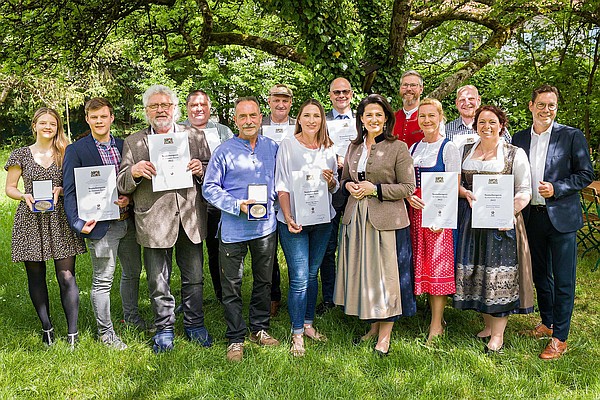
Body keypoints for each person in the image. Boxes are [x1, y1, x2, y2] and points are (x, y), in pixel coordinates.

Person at [117, 85, 212, 353]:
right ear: (146, 111)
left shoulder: (193, 135)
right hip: (154, 221)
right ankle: (165, 328)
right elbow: (122, 184)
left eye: (165, 105)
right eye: (154, 106)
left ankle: (194, 324)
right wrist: (134, 172)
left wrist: (200, 169)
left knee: (194, 277)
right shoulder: (134, 141)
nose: (160, 110)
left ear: (174, 108)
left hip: (189, 219)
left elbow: (212, 172)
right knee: (158, 280)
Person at [512, 85, 594, 359]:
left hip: (561, 218)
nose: (546, 110)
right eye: (542, 104)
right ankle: (547, 323)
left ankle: (560, 337)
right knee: (540, 275)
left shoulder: (571, 136)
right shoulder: (519, 138)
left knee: (563, 279)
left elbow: (585, 174)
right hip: (531, 217)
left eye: (552, 105)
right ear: (531, 105)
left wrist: (557, 188)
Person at [334, 94, 416, 356]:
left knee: (386, 277)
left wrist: (375, 189)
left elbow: (408, 187)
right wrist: (348, 185)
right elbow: (345, 177)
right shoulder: (353, 147)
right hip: (356, 219)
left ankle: (385, 334)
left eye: (379, 115)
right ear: (361, 119)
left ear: (386, 119)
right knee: (366, 274)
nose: (374, 119)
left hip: (386, 220)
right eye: (369, 114)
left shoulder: (397, 147)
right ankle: (373, 324)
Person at [62, 97, 146, 350]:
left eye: (104, 116)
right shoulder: (76, 150)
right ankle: (106, 333)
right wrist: (78, 223)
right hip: (100, 226)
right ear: (88, 119)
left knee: (132, 272)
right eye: (94, 117)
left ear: (111, 118)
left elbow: (132, 179)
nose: (99, 121)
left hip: (127, 222)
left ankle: (132, 318)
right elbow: (69, 192)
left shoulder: (124, 145)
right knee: (103, 280)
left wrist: (128, 198)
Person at [203, 97, 281, 362]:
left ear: (261, 118)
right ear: (235, 120)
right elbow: (209, 188)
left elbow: (282, 181)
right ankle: (235, 338)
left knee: (264, 281)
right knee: (232, 285)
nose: (248, 121)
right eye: (242, 117)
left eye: (253, 116)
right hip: (233, 230)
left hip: (265, 228)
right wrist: (237, 205)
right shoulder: (224, 151)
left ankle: (259, 329)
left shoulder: (273, 147)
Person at [453, 105, 534, 354]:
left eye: (492, 122)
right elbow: (455, 183)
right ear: (475, 125)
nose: (486, 127)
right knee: (478, 271)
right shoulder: (465, 150)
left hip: (501, 223)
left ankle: (497, 335)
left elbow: (524, 190)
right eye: (481, 122)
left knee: (499, 274)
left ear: (502, 125)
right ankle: (488, 326)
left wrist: (509, 211)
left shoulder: (514, 153)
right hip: (471, 220)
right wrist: (463, 192)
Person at [4, 107, 86, 347]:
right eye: (43, 123)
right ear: (35, 125)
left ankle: (72, 333)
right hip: (30, 219)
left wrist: (62, 189)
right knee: (36, 276)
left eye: (52, 123)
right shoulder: (20, 154)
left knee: (66, 275)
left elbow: (75, 181)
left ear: (57, 126)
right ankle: (47, 328)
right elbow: (9, 187)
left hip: (59, 218)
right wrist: (23, 196)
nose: (48, 127)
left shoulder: (65, 153)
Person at [275, 99, 338, 356]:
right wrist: (288, 217)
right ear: (298, 119)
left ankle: (309, 324)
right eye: (307, 115)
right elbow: (282, 184)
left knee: (313, 274)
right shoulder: (288, 145)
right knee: (299, 277)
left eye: (317, 116)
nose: (312, 120)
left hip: (322, 220)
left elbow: (332, 188)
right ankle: (297, 332)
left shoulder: (329, 148)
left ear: (322, 120)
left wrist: (332, 180)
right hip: (295, 222)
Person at [406, 98, 460, 343]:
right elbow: (406, 182)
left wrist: (441, 216)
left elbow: (453, 185)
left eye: (431, 116)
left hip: (438, 215)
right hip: (414, 213)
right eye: (422, 116)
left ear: (441, 118)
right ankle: (428, 315)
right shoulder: (414, 148)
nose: (427, 120)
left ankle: (437, 324)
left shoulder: (449, 148)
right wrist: (408, 197)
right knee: (422, 263)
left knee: (438, 267)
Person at [182, 89, 234, 303]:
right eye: (194, 105)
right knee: (189, 253)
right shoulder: (177, 132)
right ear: (187, 108)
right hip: (186, 201)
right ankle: (190, 299)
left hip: (216, 201)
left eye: (203, 104)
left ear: (209, 107)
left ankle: (223, 295)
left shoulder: (223, 132)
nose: (199, 108)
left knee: (217, 249)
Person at [315, 77, 353, 315]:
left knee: (355, 247)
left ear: (351, 94)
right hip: (327, 191)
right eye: (336, 92)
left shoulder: (362, 119)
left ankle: (353, 295)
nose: (341, 95)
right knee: (328, 248)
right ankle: (329, 298)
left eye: (345, 91)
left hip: (354, 190)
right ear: (330, 95)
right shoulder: (321, 121)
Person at [261, 83, 295, 316]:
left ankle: (297, 293)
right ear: (269, 101)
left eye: (285, 100)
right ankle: (272, 296)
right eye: (276, 99)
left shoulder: (299, 125)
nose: (280, 104)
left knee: (295, 248)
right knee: (267, 250)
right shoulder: (259, 125)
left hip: (294, 193)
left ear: (291, 102)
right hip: (264, 193)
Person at [445, 85, 512, 143]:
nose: (467, 103)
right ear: (457, 103)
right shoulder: (447, 130)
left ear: (479, 100)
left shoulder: (496, 128)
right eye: (462, 100)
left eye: (471, 99)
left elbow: (509, 153)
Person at [393, 70, 424, 148]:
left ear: (421, 89)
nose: (409, 89)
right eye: (405, 85)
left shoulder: (429, 118)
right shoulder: (392, 118)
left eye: (413, 85)